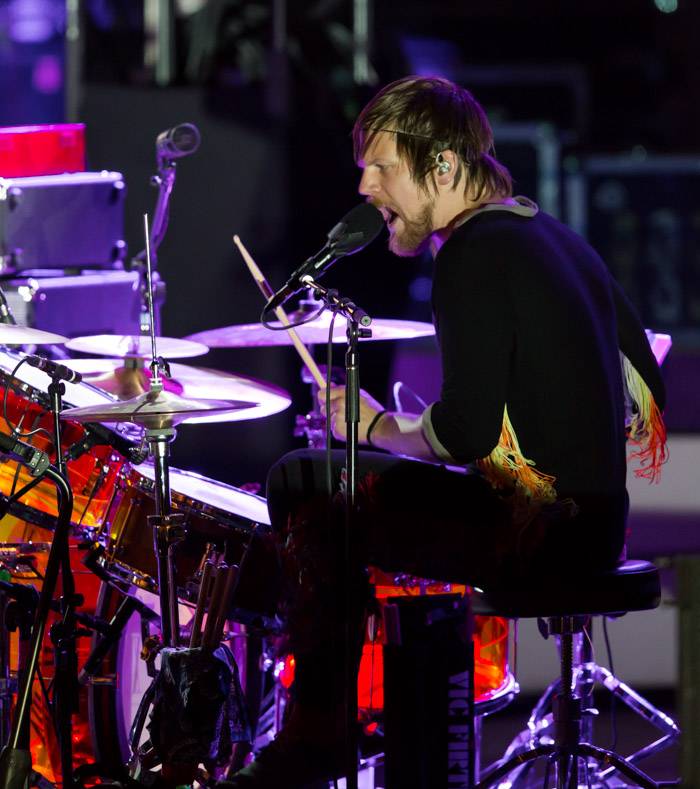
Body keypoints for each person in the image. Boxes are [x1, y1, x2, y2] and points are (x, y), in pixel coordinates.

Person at [222, 75, 666, 788]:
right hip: (597, 526)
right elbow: (647, 386)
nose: (365, 186)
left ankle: (315, 738)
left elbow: (462, 432)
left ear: (445, 166)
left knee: (303, 481)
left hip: (538, 536)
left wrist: (374, 424)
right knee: (350, 495)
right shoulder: (552, 234)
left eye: (383, 167)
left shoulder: (470, 252)